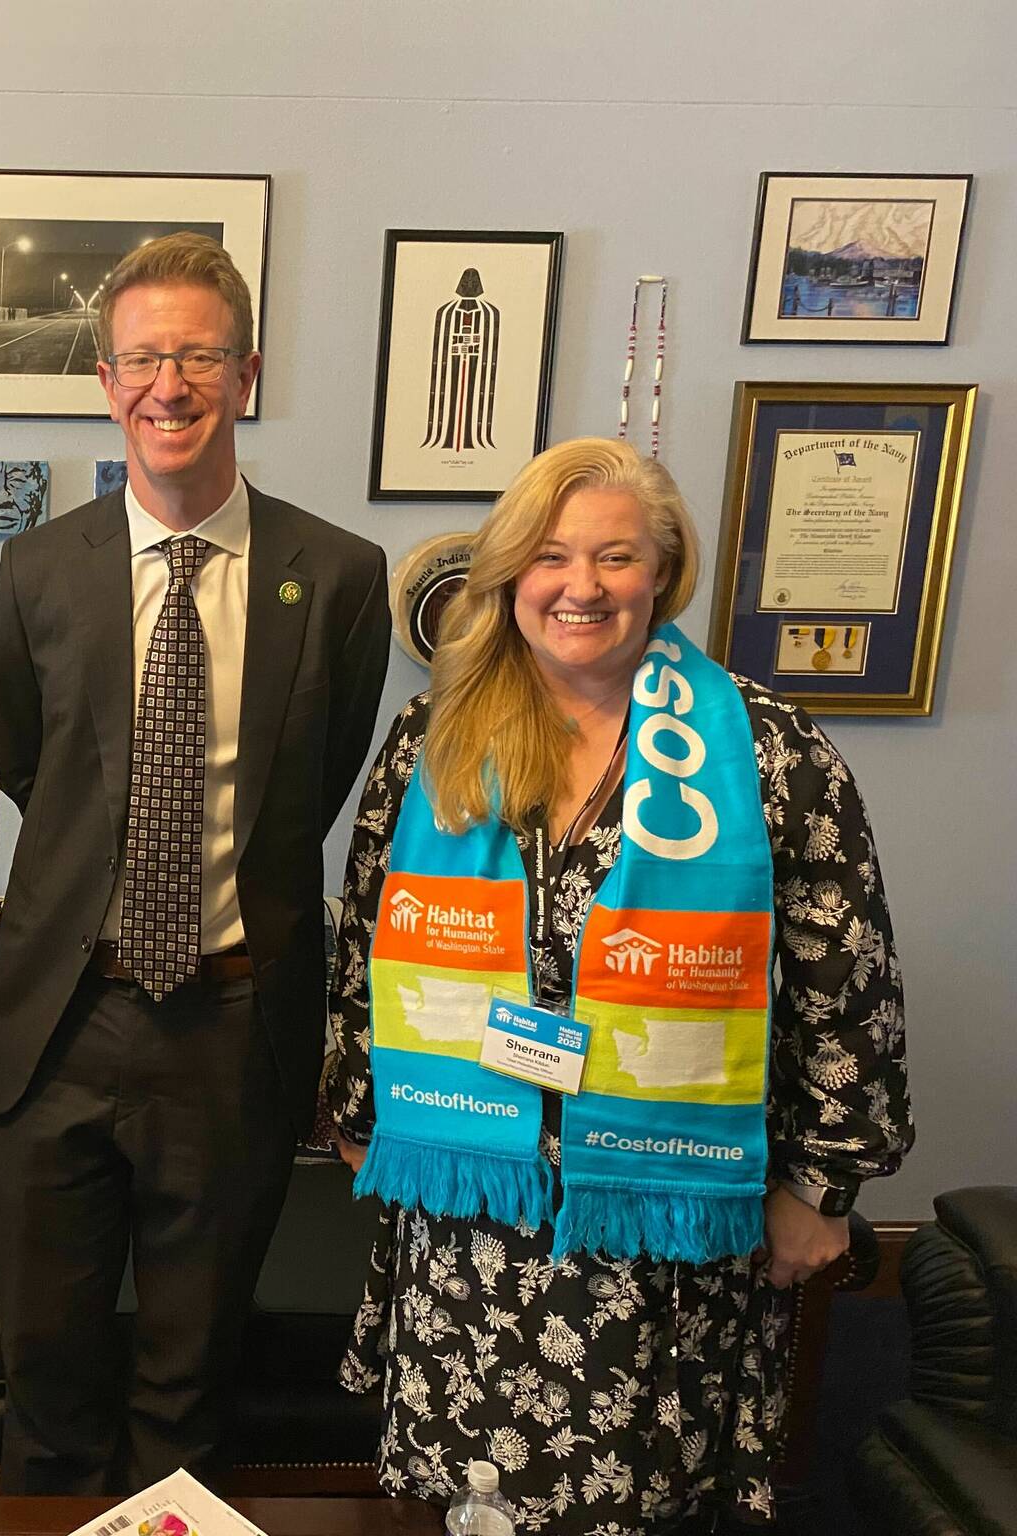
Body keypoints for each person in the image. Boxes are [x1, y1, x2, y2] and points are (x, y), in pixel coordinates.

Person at [322, 437, 911, 1532]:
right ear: (508, 575)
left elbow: (846, 983)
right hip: (475, 1211)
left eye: (614, 557)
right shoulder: (434, 740)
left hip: (663, 1218)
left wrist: (821, 1183)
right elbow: (365, 937)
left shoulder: (769, 753)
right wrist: (363, 1119)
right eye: (549, 557)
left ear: (662, 572)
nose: (579, 587)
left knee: (637, 1500)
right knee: (478, 1504)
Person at [0, 231, 391, 1492]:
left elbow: (309, 792)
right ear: (106, 379)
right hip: (60, 1021)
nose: (170, 383)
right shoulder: (41, 566)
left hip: (230, 1023)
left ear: (245, 374)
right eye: (143, 357)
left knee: (189, 1375)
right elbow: (29, 764)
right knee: (45, 1375)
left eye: (197, 355)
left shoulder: (337, 576)